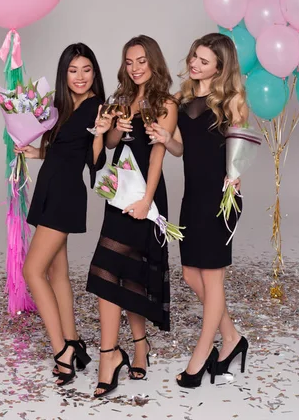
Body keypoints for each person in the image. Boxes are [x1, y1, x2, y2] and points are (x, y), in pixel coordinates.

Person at [148, 33, 249, 388]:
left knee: (212, 276)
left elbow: (240, 150)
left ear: (221, 67)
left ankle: (202, 356)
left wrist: (235, 178)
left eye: (204, 61)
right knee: (191, 274)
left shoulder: (233, 101)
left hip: (221, 198)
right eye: (194, 57)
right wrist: (166, 139)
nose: (195, 64)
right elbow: (181, 150)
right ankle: (233, 338)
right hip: (192, 196)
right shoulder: (183, 97)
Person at [86, 35, 178, 398]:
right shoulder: (121, 100)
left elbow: (158, 156)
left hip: (146, 196)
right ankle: (120, 351)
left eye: (142, 60)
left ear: (154, 62)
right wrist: (114, 129)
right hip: (118, 190)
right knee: (112, 272)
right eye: (129, 61)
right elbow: (109, 147)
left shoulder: (166, 103)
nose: (136, 68)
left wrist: (147, 201)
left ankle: (130, 350)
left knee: (132, 273)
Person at [16, 43, 109, 387]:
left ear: (95, 72)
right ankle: (74, 343)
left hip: (66, 195)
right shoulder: (61, 106)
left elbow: (95, 162)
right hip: (50, 189)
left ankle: (62, 353)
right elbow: (61, 150)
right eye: (73, 70)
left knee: (32, 270)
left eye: (86, 69)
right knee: (57, 272)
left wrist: (99, 135)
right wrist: (34, 149)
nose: (80, 76)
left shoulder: (97, 107)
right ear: (64, 73)